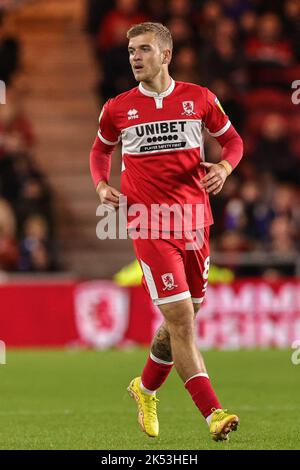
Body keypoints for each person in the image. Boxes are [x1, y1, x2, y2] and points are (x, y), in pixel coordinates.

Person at [90, 22, 243, 442]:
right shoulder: (117, 108)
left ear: (166, 55)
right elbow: (100, 148)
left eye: (142, 50)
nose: (134, 58)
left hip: (196, 223)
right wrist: (102, 184)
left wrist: (225, 168)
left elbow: (233, 143)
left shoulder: (199, 98)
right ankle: (213, 412)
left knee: (186, 314)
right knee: (181, 320)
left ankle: (145, 387)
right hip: (150, 223)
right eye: (130, 52)